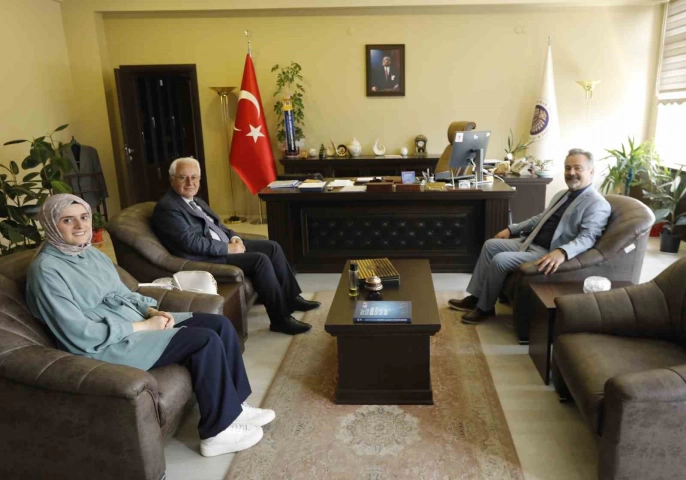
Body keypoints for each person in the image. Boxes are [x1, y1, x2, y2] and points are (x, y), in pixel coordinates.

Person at [25, 194, 274, 457]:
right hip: (105, 345)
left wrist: (152, 310)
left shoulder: (90, 254)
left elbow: (123, 292)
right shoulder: (46, 271)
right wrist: (145, 326)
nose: (80, 226)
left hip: (133, 323)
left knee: (219, 325)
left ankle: (235, 406)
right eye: (67, 220)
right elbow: (79, 333)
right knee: (204, 340)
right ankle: (217, 433)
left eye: (84, 217)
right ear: (51, 225)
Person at [151, 157, 319, 336]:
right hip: (206, 257)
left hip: (223, 245)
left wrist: (235, 237)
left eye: (194, 177)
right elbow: (190, 242)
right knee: (259, 260)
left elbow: (218, 226)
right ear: (172, 179)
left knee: (272, 247)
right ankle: (280, 320)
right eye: (183, 177)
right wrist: (227, 249)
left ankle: (291, 298)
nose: (190, 183)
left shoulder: (197, 201)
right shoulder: (168, 208)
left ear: (199, 179)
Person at [449, 148, 611, 324]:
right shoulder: (562, 195)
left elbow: (588, 237)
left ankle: (485, 308)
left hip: (548, 251)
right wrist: (511, 229)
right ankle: (476, 297)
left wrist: (563, 252)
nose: (571, 173)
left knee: (500, 260)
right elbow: (539, 218)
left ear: (591, 171)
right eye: (567, 168)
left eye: (577, 168)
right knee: (490, 245)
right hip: (531, 241)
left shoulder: (597, 203)